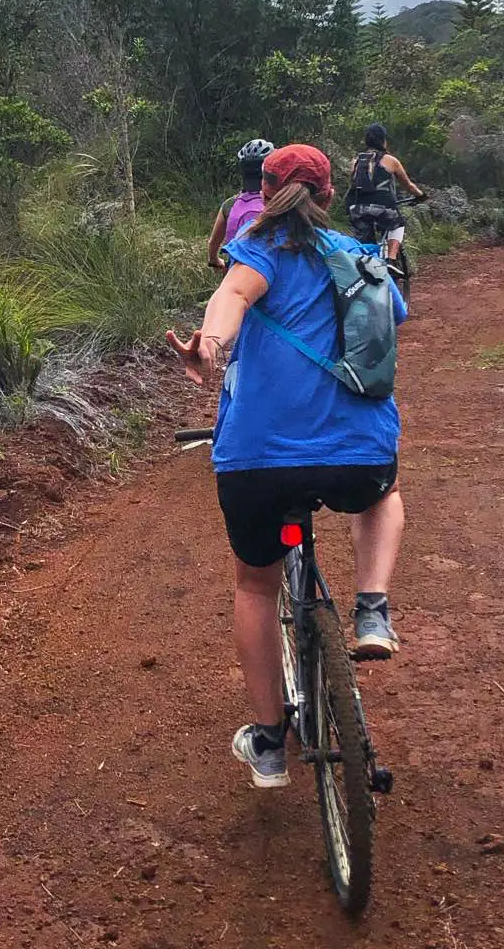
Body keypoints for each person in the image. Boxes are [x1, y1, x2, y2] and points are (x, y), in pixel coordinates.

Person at [166, 144, 408, 790]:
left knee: (255, 585)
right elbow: (388, 330)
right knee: (382, 496)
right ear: (329, 195)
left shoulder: (255, 251)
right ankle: (373, 608)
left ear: (264, 192)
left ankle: (270, 742)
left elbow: (233, 298)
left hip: (258, 459)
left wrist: (209, 348)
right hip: (357, 453)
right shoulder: (363, 260)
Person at [345, 123, 423, 261]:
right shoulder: (390, 160)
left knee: (365, 243)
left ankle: (365, 265)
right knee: (397, 225)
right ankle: (391, 260)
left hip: (356, 208)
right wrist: (421, 195)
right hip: (382, 208)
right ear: (383, 140)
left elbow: (353, 183)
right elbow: (408, 186)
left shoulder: (356, 161)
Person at [206, 138, 276, 270]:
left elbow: (213, 244)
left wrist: (214, 260)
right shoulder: (279, 204)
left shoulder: (230, 204)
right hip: (268, 277)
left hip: (234, 279)